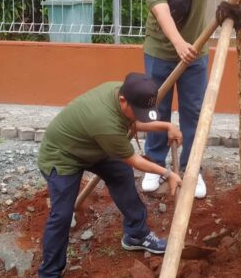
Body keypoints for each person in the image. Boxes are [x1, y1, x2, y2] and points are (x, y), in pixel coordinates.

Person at [37, 73, 183, 278]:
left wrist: (167, 126)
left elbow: (135, 122)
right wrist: (167, 173)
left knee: (121, 175)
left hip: (94, 145)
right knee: (61, 215)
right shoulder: (104, 121)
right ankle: (49, 272)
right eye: (138, 111)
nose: (140, 115)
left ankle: (136, 234)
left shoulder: (122, 92)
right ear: (123, 101)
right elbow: (134, 160)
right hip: (62, 156)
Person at [139, 0, 235, 198]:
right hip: (160, 52)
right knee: (156, 109)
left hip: (196, 57)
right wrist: (180, 44)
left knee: (194, 112)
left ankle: (193, 169)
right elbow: (162, 13)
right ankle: (155, 165)